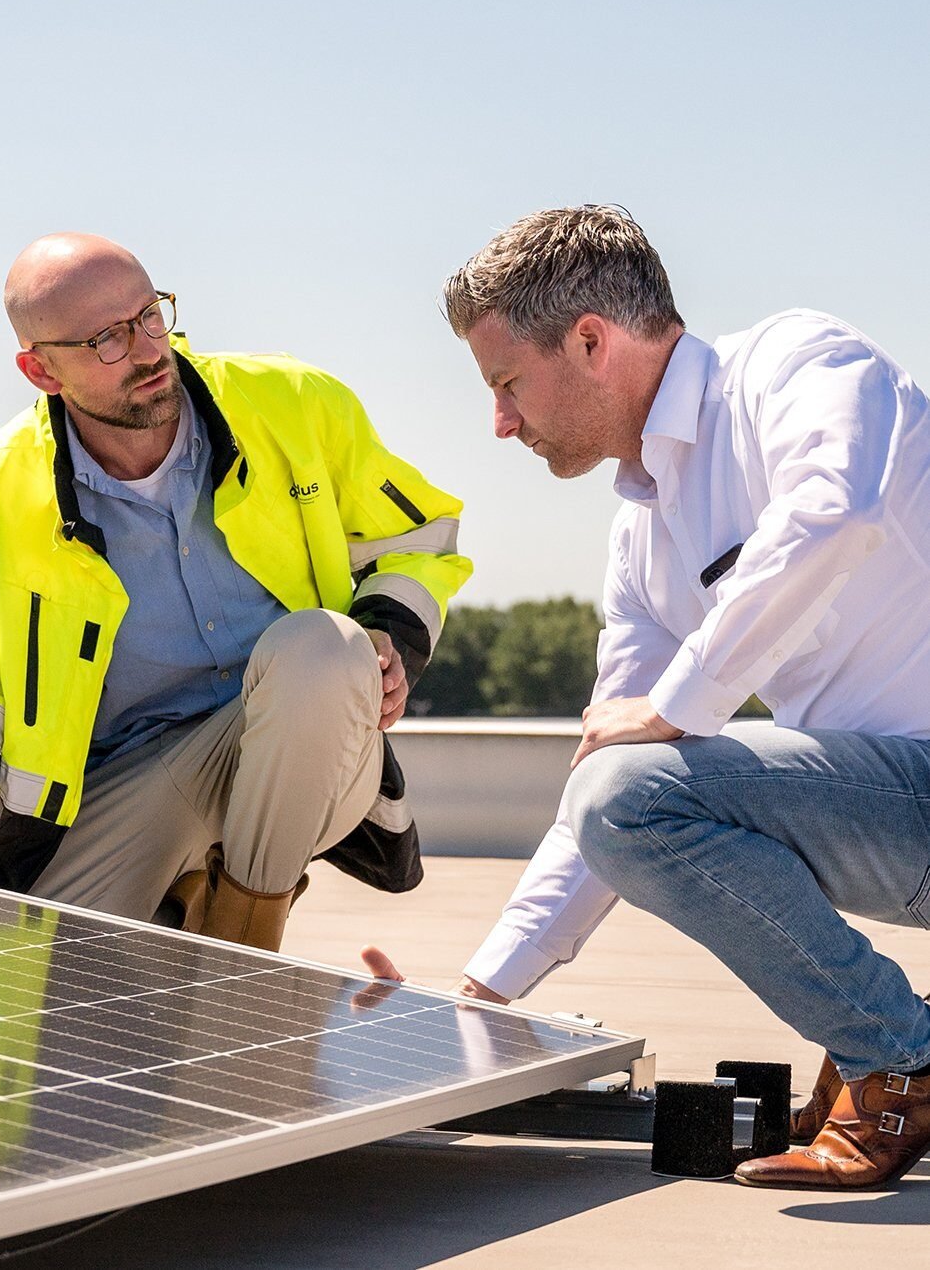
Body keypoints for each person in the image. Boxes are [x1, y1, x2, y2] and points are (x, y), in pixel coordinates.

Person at [372, 204, 930, 1190]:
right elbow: (607, 798)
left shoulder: (794, 366)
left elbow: (834, 507)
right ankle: (886, 1039)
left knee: (632, 784)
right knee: (619, 795)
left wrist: (685, 700)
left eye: (507, 384)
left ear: (590, 340)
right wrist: (483, 994)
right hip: (895, 819)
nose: (499, 423)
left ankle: (905, 1055)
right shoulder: (644, 536)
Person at [0, 233, 471, 953]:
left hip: (308, 757)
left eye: (149, 315)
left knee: (324, 648)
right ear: (41, 372)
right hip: (123, 784)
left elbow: (416, 536)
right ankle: (181, 898)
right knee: (5, 999)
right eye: (105, 339)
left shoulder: (295, 403)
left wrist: (387, 634)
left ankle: (239, 957)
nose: (147, 351)